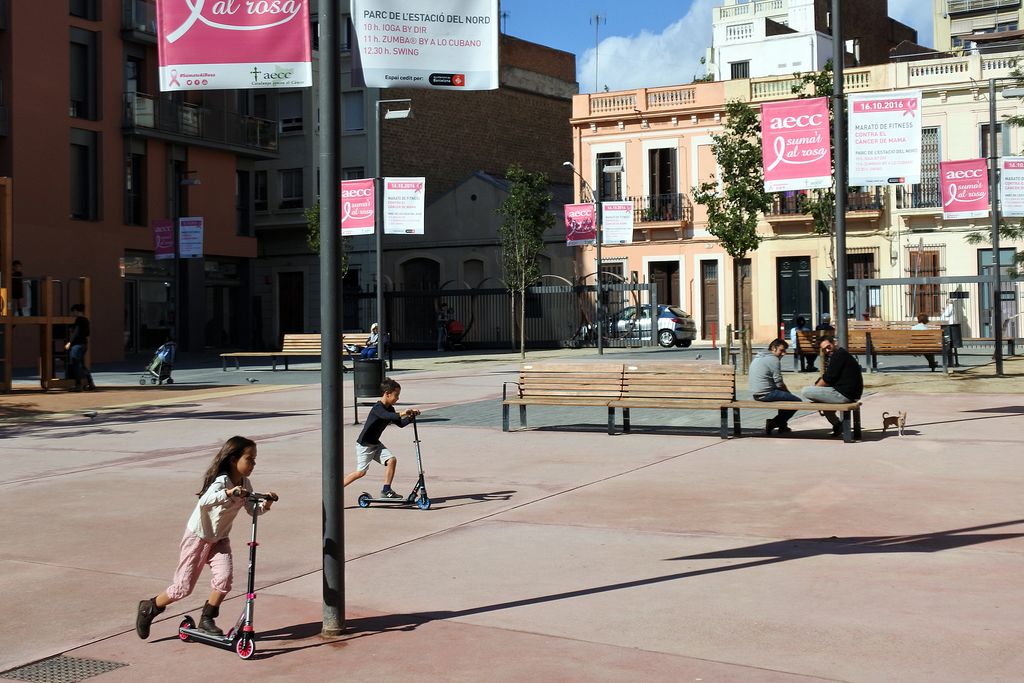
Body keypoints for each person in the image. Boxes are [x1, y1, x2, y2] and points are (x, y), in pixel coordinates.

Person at [135, 436, 277, 640]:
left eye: (254, 460)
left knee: (224, 579)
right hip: (198, 538)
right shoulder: (221, 482)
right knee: (182, 589)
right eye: (250, 459)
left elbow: (252, 509)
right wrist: (228, 493)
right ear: (233, 459)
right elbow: (205, 501)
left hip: (219, 539)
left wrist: (267, 503)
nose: (253, 464)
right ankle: (150, 607)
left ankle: (207, 618)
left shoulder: (245, 483)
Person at [343, 378, 419, 498]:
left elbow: (400, 424)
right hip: (365, 445)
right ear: (387, 394)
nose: (398, 398)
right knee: (360, 473)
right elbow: (386, 416)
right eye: (396, 395)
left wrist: (411, 417)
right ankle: (336, 489)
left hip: (375, 444)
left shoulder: (390, 408)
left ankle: (386, 490)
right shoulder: (378, 408)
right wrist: (404, 412)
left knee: (392, 460)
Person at [801, 336, 864, 437]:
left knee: (805, 391)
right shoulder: (840, 355)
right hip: (848, 393)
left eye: (828, 347)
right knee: (821, 397)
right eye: (824, 349)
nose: (827, 350)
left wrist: (815, 393)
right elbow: (828, 377)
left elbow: (827, 379)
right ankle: (838, 425)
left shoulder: (839, 355)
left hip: (845, 394)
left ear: (835, 343)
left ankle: (838, 425)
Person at [749, 338, 803, 436]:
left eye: (785, 351)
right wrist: (788, 393)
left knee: (784, 397)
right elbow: (779, 383)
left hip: (756, 394)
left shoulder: (759, 356)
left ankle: (783, 426)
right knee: (797, 401)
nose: (784, 353)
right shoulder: (773, 360)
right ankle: (774, 423)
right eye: (781, 350)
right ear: (774, 348)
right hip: (766, 394)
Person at [65, 303, 95, 391]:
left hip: (77, 345)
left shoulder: (79, 320)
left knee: (76, 364)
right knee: (81, 364)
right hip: (84, 344)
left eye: (73, 311)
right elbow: (87, 333)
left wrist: (70, 343)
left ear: (76, 311)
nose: (72, 314)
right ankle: (90, 382)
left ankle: (78, 385)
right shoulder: (86, 320)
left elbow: (76, 333)